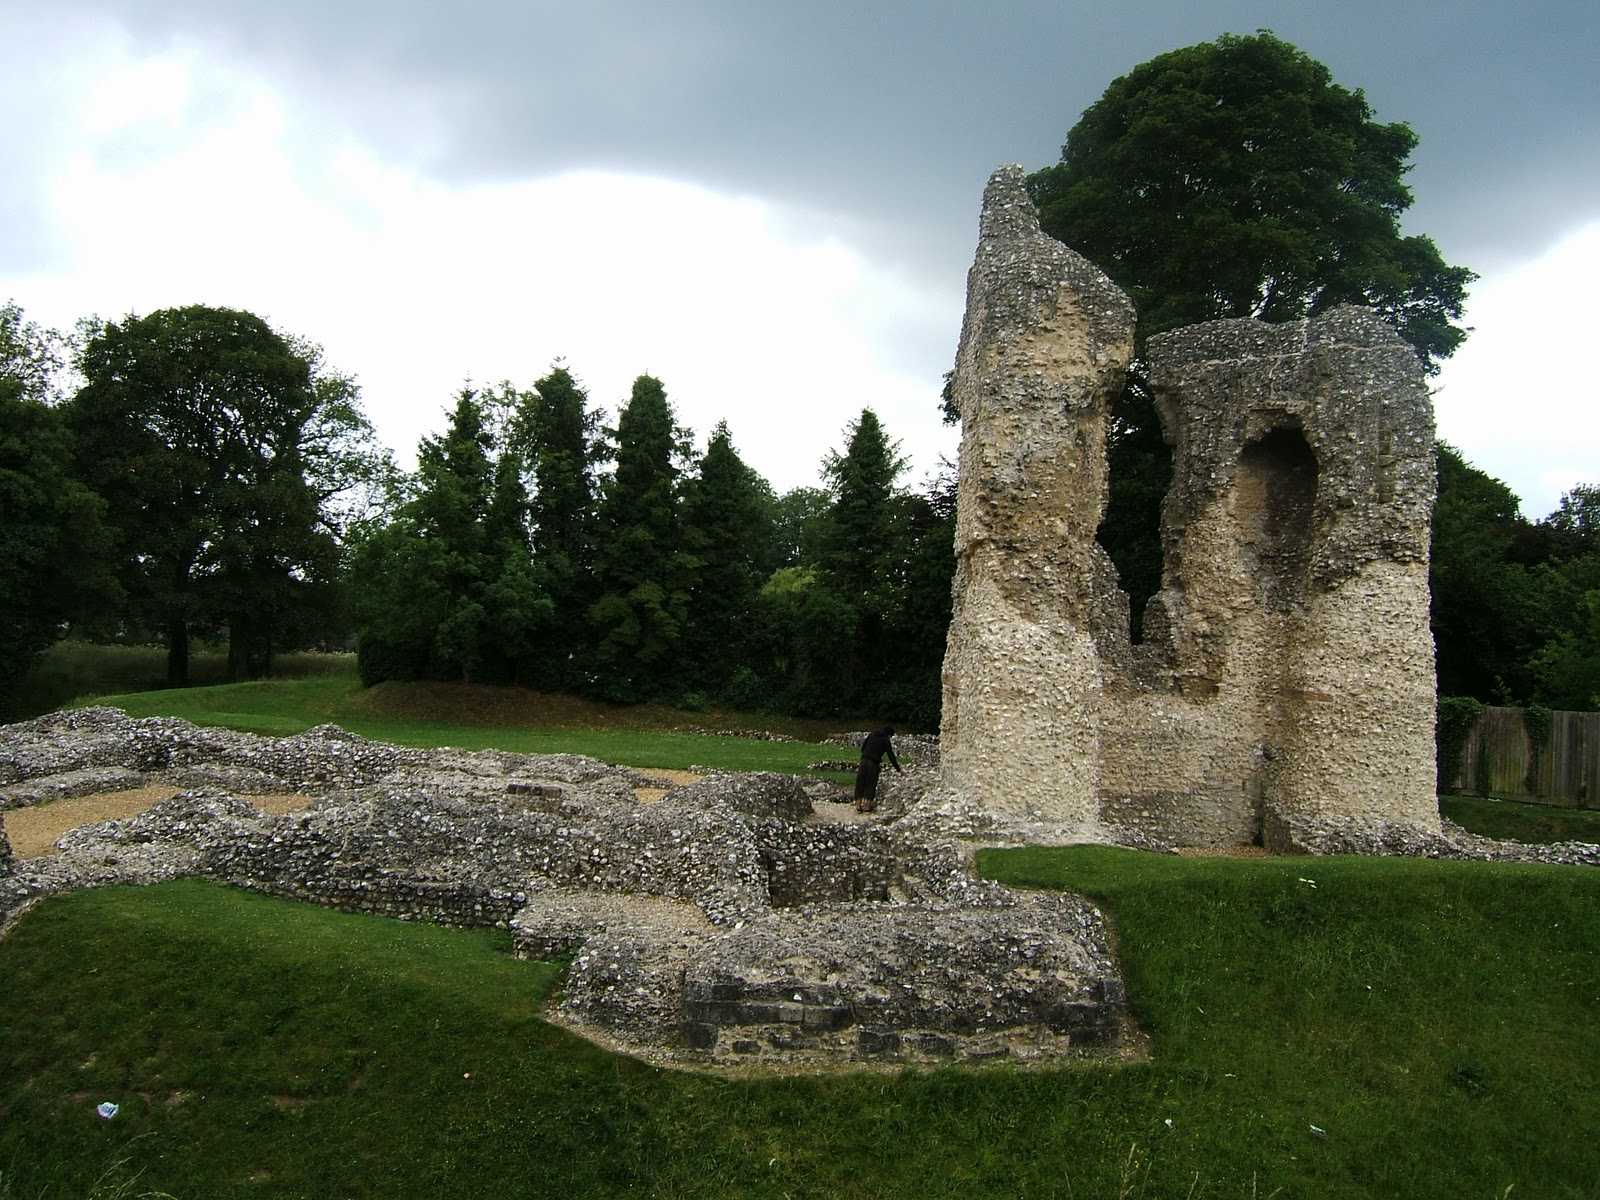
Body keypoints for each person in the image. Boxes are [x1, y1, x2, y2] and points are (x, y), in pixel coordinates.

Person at [854, 726, 902, 813]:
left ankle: (858, 805)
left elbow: (863, 747)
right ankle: (867, 806)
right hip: (874, 762)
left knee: (860, 781)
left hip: (864, 760)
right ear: (889, 735)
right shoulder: (885, 740)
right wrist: (898, 769)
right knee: (871, 782)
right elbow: (890, 755)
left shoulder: (872, 734)